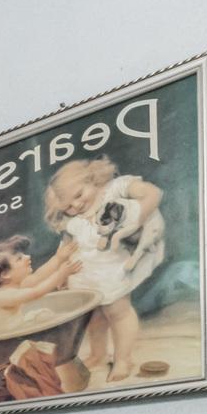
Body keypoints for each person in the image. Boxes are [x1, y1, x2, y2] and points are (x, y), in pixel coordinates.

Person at [44, 157, 166, 384]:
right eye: (68, 206)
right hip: (83, 275)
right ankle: (98, 355)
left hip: (111, 271)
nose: (76, 206)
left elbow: (153, 193)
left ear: (92, 179)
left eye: (79, 195)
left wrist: (138, 219)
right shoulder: (74, 219)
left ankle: (123, 359)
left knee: (119, 314)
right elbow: (67, 245)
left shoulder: (114, 189)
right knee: (94, 318)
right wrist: (63, 272)